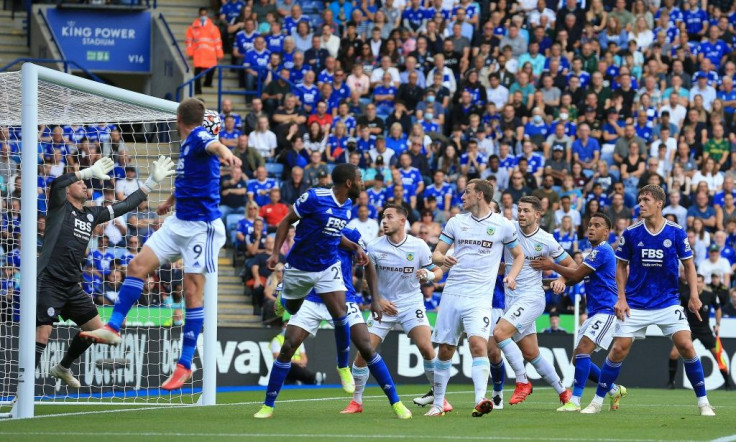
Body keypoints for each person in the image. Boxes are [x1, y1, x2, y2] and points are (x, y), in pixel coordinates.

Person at [81, 99, 242, 391]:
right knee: (136, 265)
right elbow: (190, 180)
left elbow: (214, 145)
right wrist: (169, 202)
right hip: (180, 221)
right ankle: (113, 326)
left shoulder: (199, 137)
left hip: (202, 229)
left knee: (193, 291)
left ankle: (184, 364)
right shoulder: (186, 146)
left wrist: (227, 152)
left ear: (178, 118)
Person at [253, 163, 412, 419]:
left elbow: (366, 260)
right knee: (288, 346)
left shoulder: (348, 224)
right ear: (349, 183)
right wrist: (276, 253)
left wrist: (374, 298)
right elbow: (305, 225)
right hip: (310, 294)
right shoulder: (318, 204)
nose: (364, 182)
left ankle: (395, 402)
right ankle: (268, 405)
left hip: (340, 292)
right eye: (360, 178)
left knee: (366, 348)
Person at [35, 155, 174, 388]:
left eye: (85, 182)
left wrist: (150, 182)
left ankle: (62, 367)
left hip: (71, 285)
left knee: (99, 332)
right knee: (42, 336)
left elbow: (124, 206)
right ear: (69, 190)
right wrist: (86, 172)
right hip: (49, 280)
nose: (84, 185)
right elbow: (56, 184)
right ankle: (22, 391)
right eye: (79, 183)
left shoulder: (90, 215)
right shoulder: (60, 206)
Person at [580, 184, 716, 416]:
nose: (640, 204)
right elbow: (621, 267)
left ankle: (704, 403)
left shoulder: (675, 231)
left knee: (685, 345)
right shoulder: (631, 233)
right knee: (618, 350)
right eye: (640, 199)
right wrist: (621, 298)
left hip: (668, 301)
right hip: (635, 303)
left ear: (659, 204)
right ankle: (596, 401)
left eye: (645, 200)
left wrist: (694, 295)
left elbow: (689, 265)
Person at [427, 179, 524, 417]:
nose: (462, 196)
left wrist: (511, 276)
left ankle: (481, 399)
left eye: (467, 192)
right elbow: (436, 253)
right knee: (446, 350)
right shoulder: (456, 222)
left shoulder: (503, 225)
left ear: (480, 195)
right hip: (452, 294)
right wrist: (442, 259)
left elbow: (519, 255)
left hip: (480, 298)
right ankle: (438, 404)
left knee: (478, 345)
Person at [341, 204, 449, 414]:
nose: (384, 220)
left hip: (411, 304)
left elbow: (437, 272)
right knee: (364, 352)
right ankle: (356, 402)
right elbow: (365, 281)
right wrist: (378, 299)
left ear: (402, 221)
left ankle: (440, 399)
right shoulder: (374, 246)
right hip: (383, 306)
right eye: (383, 217)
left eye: (389, 217)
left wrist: (429, 276)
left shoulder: (418, 246)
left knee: (427, 348)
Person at [532, 212, 627, 411]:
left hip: (607, 310)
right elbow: (574, 279)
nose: (591, 228)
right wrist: (541, 282)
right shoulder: (592, 253)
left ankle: (574, 401)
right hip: (595, 312)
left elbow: (574, 274)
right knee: (578, 358)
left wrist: (552, 265)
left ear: (607, 232)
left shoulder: (603, 250)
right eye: (590, 224)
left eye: (597, 225)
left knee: (583, 351)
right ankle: (612, 390)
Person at [491, 196, 573, 408]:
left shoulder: (546, 240)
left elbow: (572, 265)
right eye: (520, 210)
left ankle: (522, 381)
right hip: (512, 299)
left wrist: (561, 277)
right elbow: (505, 264)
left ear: (538, 214)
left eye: (527, 211)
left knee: (499, 334)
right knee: (531, 353)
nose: (521, 214)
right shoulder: (509, 229)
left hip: (532, 297)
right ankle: (564, 393)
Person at [667, 274, 732, 390]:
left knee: (718, 355)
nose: (697, 284)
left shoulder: (710, 295)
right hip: (689, 330)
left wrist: (717, 324)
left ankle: (727, 383)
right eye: (695, 282)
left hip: (704, 330)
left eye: (700, 282)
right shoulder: (686, 296)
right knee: (673, 354)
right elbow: (679, 311)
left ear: (703, 283)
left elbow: (718, 309)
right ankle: (671, 382)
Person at [186, 8, 224, 94]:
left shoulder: (213, 28)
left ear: (207, 15)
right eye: (202, 14)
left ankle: (207, 83)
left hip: (210, 53)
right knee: (197, 73)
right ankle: (197, 89)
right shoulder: (192, 28)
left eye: (204, 14)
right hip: (198, 53)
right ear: (199, 15)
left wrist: (219, 54)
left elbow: (217, 42)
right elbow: (189, 41)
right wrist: (190, 52)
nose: (203, 16)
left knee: (211, 70)